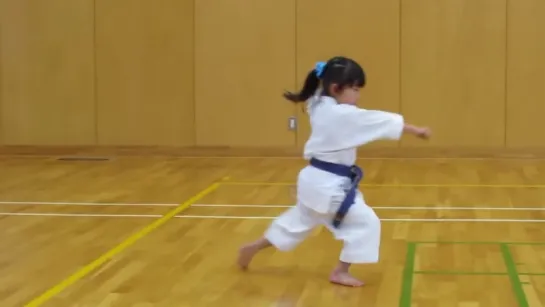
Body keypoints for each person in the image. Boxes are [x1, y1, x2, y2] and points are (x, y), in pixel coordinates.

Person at [237, 56, 431, 287]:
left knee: (298, 222)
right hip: (329, 186)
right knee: (367, 223)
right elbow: (379, 120)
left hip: (312, 181)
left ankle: (253, 247)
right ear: (336, 88)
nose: (358, 96)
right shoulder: (343, 115)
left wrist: (323, 70)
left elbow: (319, 85)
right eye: (355, 89)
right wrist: (416, 130)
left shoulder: (318, 104)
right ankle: (340, 271)